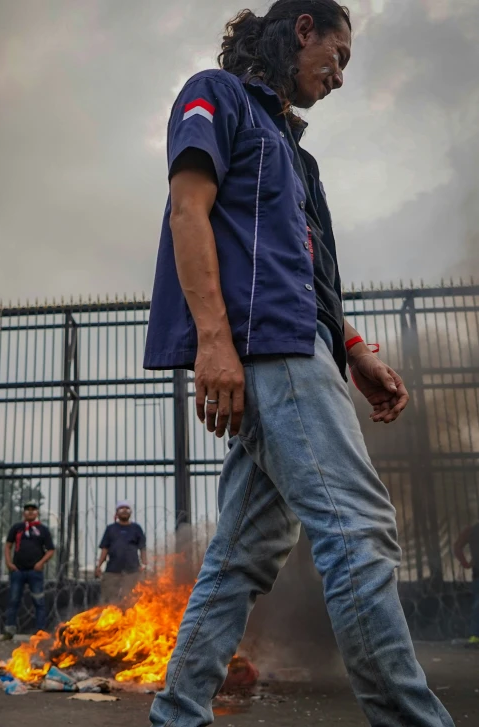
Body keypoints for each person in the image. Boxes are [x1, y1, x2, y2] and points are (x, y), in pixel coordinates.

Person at [143, 1, 454, 725]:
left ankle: (177, 713)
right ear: (303, 29)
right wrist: (214, 341)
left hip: (301, 342)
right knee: (358, 526)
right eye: (338, 55)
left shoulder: (295, 154)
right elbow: (189, 211)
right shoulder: (215, 96)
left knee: (244, 553)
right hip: (268, 346)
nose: (340, 75)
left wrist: (353, 352)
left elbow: (306, 274)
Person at [3, 502, 55, 640]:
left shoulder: (43, 530)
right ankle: (9, 630)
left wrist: (41, 563)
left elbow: (51, 550)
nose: (30, 512)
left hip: (35, 571)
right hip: (18, 570)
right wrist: (9, 563)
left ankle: (40, 631)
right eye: (27, 510)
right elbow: (8, 546)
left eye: (33, 510)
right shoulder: (17, 528)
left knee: (39, 602)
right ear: (23, 513)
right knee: (13, 601)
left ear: (37, 513)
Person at [95, 501, 147, 603]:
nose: (124, 510)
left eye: (127, 508)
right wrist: (99, 565)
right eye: (121, 508)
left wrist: (144, 565)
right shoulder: (111, 529)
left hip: (132, 571)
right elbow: (104, 548)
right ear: (117, 512)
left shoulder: (136, 528)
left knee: (130, 600)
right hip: (112, 571)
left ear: (130, 512)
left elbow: (142, 548)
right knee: (109, 600)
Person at [454, 522, 479, 645]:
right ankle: (475, 635)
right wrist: (466, 563)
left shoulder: (471, 529)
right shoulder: (471, 529)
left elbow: (458, 547)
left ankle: (475, 635)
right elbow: (457, 547)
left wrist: (466, 563)